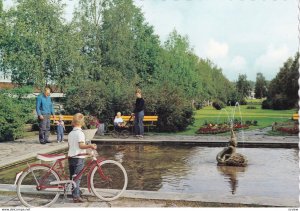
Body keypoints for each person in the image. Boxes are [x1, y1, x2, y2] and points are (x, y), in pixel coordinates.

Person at [68, 113, 97, 203]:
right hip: (78, 158)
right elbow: (81, 146)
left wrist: (86, 152)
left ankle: (75, 192)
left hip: (71, 157)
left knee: (73, 177)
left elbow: (70, 146)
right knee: (77, 178)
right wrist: (90, 146)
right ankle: (76, 197)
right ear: (82, 122)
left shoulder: (71, 133)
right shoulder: (80, 133)